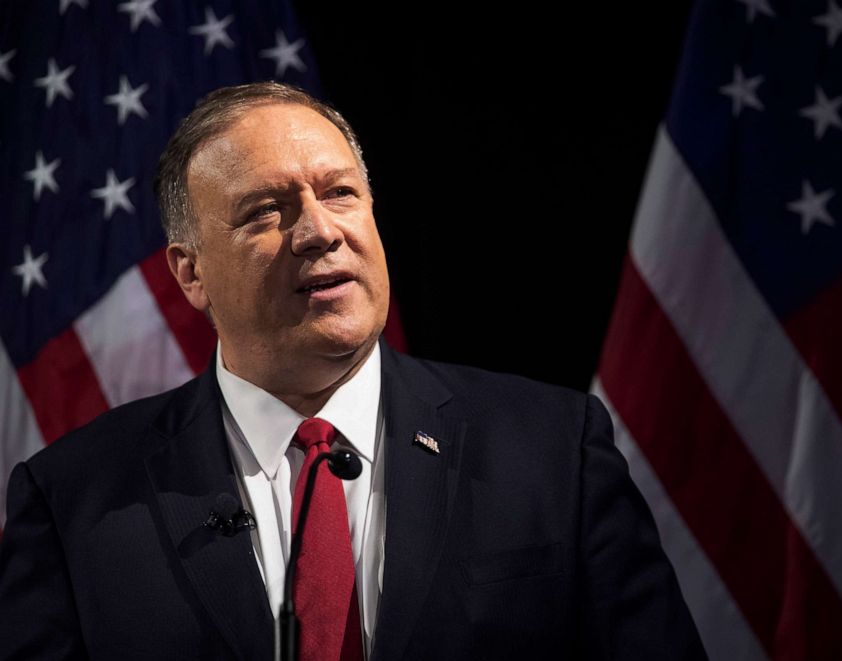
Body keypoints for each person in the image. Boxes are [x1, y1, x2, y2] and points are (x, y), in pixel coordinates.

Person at [0, 82, 706, 661]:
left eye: (339, 193)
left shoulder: (554, 451)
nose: (319, 229)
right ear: (191, 273)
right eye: (265, 211)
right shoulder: (74, 502)